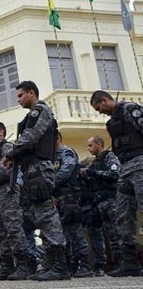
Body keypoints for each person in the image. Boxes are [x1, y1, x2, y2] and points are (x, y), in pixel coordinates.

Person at [3, 81, 68, 281]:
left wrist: (11, 152)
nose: (19, 100)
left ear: (32, 93)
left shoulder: (40, 112)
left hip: (39, 168)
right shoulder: (33, 114)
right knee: (40, 216)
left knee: (47, 216)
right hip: (32, 169)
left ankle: (60, 265)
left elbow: (32, 137)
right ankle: (51, 263)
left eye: (22, 95)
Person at [90, 90, 143, 277]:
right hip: (125, 171)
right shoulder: (111, 123)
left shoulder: (130, 109)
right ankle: (130, 263)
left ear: (104, 100)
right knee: (122, 215)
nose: (100, 111)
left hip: (140, 165)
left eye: (99, 107)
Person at [0, 122, 34, 280]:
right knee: (2, 231)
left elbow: (4, 168)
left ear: (1, 132)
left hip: (7, 190)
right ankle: (7, 266)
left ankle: (24, 265)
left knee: (13, 228)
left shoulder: (7, 148)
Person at [79, 135, 121, 275]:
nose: (88, 148)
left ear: (99, 144)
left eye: (91, 145)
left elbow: (115, 174)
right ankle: (101, 266)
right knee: (100, 235)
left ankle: (121, 263)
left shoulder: (109, 157)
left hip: (110, 200)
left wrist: (93, 173)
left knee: (115, 233)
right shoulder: (94, 162)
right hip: (98, 203)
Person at [53, 132, 92, 277]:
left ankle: (85, 266)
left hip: (70, 198)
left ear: (56, 138)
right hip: (57, 199)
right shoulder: (51, 157)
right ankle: (70, 265)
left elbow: (65, 172)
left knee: (76, 232)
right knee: (63, 234)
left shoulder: (67, 152)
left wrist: (49, 186)